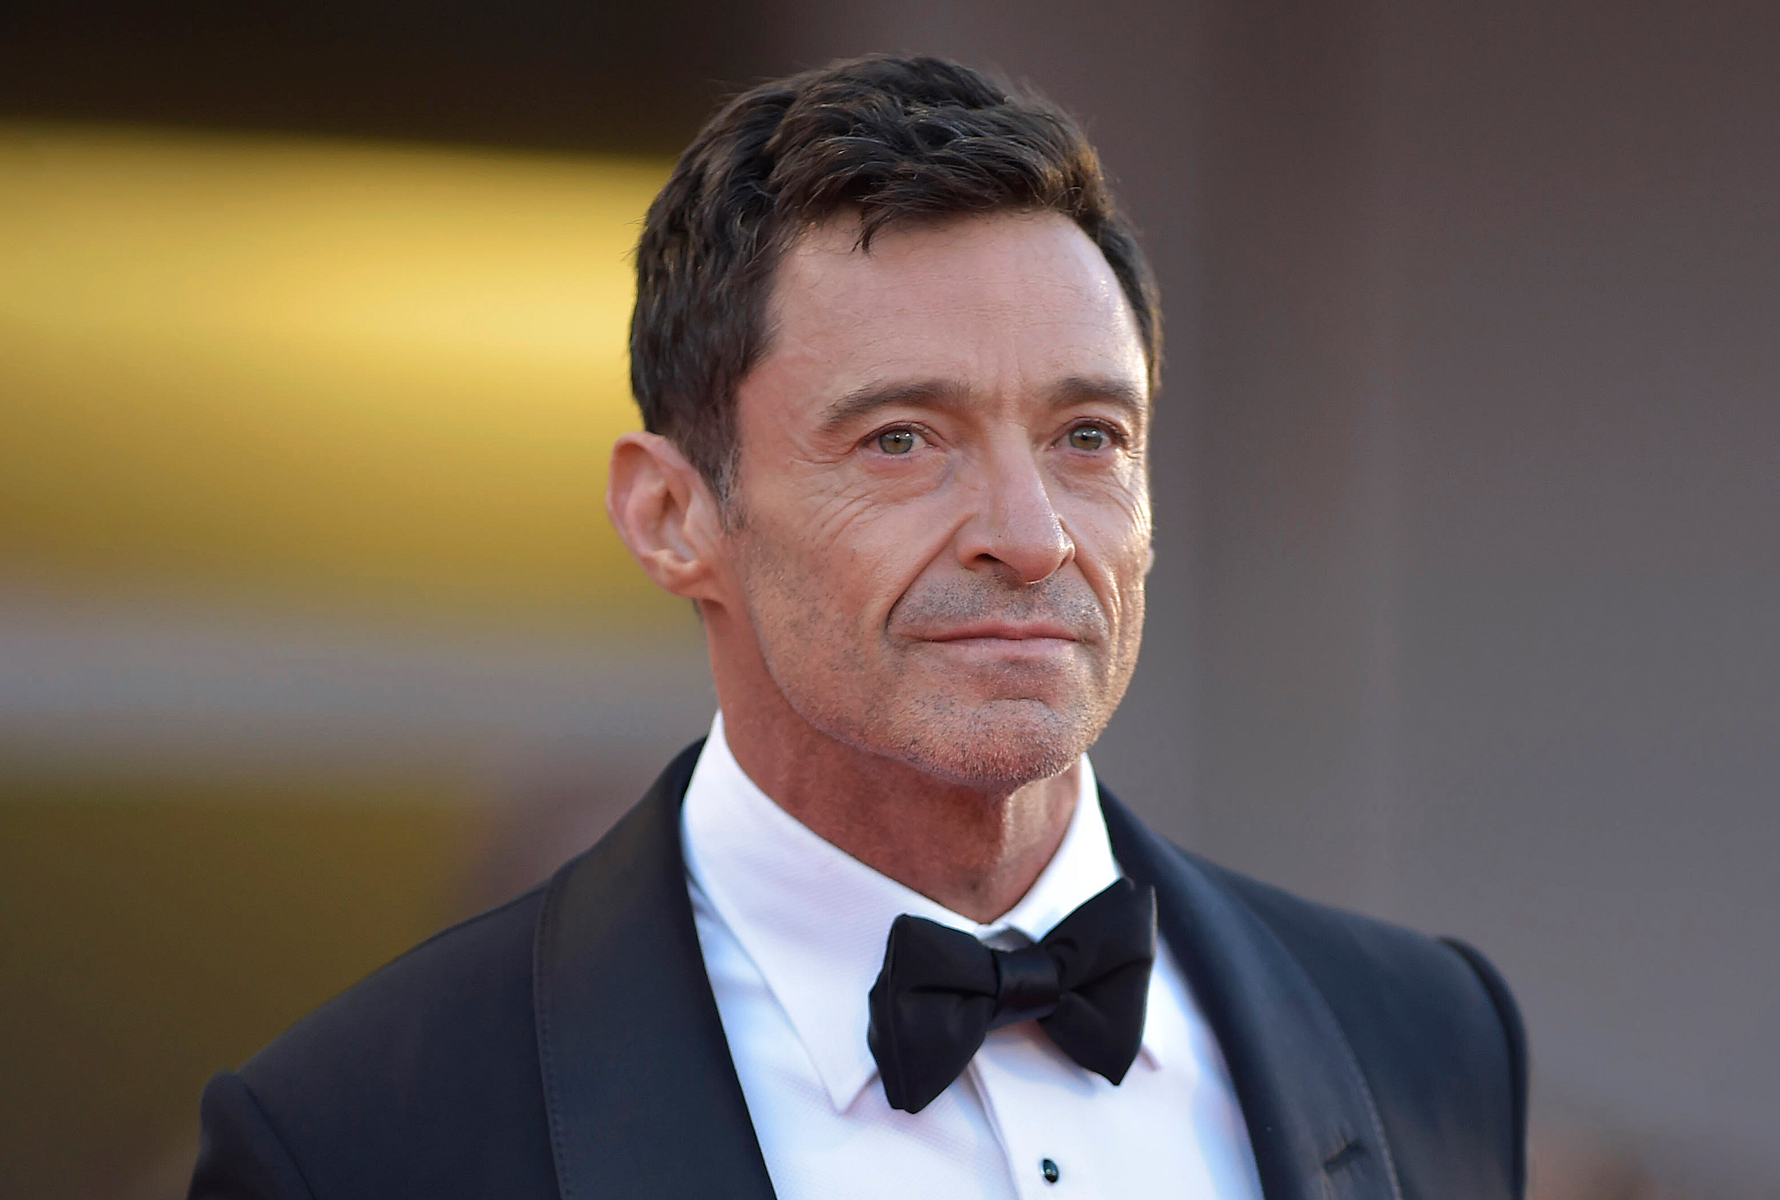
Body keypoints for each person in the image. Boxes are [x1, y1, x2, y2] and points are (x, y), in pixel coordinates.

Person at [188, 54, 1526, 1200]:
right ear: (671, 516)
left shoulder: (1429, 1038)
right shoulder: (358, 1135)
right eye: (901, 439)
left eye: (1087, 437)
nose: (1032, 535)